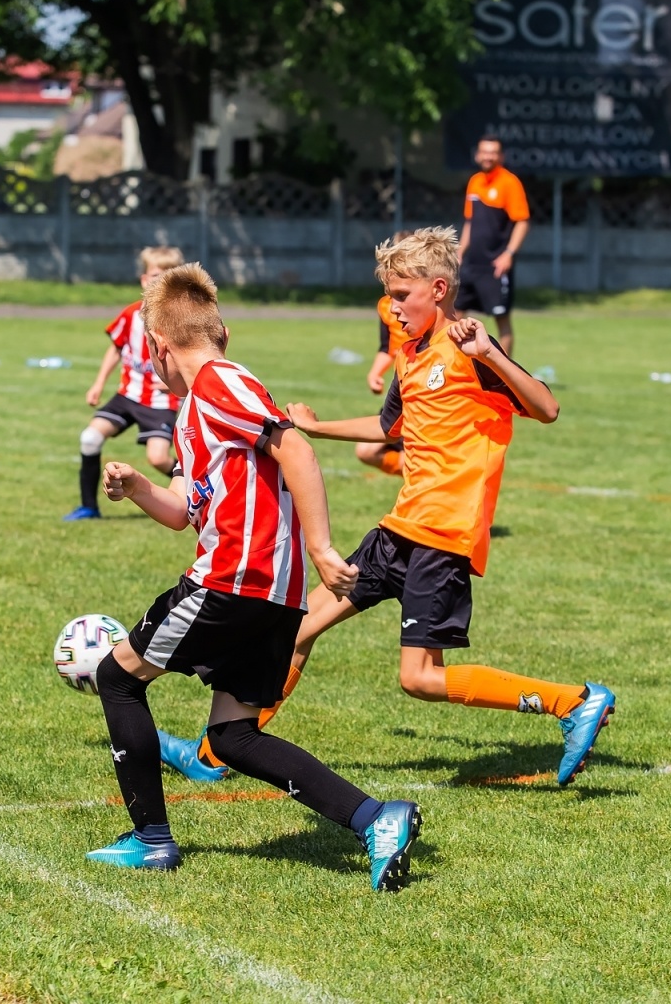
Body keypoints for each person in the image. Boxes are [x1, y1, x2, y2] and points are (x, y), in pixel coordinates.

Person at [156, 228, 616, 789]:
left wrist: (490, 350)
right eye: (390, 295)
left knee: (419, 678)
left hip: (444, 534)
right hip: (401, 529)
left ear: (438, 289)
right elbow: (385, 427)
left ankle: (572, 703)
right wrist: (314, 425)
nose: (392, 307)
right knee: (300, 628)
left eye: (402, 295)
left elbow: (546, 407)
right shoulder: (410, 352)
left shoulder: (469, 349)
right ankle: (212, 756)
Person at [89, 262, 422, 892]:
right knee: (233, 735)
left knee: (116, 676)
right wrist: (137, 487)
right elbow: (185, 511)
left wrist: (322, 546)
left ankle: (151, 840)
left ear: (161, 348)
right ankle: (377, 818)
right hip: (271, 590)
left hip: (233, 580)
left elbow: (292, 445)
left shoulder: (220, 384)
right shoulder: (197, 410)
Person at [66, 246, 184, 520]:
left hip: (159, 400)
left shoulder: (180, 320)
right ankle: (89, 507)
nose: (161, 280)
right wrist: (98, 384)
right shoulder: (131, 314)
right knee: (90, 438)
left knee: (158, 458)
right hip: (127, 396)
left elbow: (191, 359)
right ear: (144, 280)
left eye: (168, 275)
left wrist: (177, 384)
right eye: (156, 275)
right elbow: (116, 348)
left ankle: (196, 491)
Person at [454, 137, 529, 357]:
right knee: (455, 314)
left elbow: (522, 221)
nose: (488, 156)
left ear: (501, 156)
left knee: (501, 318)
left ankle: (503, 375)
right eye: (485, 152)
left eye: (493, 152)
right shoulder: (475, 182)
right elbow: (470, 221)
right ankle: (456, 367)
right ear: (478, 155)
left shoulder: (509, 182)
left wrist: (509, 254)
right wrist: (460, 251)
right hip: (471, 264)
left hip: (495, 265)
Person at [356, 287, 414, 475]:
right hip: (401, 393)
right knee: (366, 451)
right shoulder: (385, 306)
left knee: (413, 458)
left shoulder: (422, 305)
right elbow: (388, 347)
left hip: (421, 392)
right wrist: (375, 373)